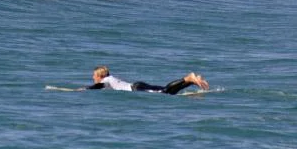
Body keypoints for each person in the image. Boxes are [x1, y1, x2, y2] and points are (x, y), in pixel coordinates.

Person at [80, 65, 209, 94]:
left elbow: (97, 87)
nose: (93, 77)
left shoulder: (105, 81)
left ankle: (188, 78)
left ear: (100, 76)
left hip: (136, 88)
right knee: (168, 92)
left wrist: (83, 89)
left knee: (164, 91)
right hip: (137, 85)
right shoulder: (109, 78)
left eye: (94, 75)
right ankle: (190, 81)